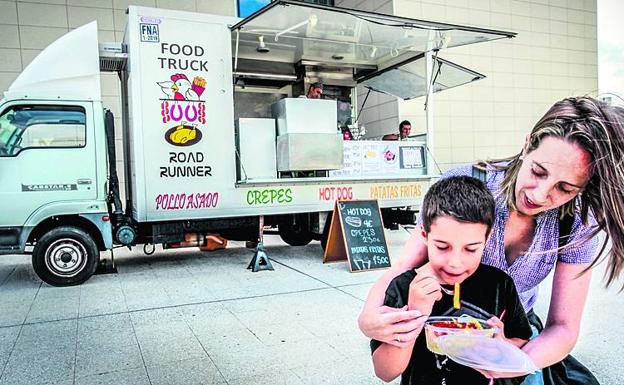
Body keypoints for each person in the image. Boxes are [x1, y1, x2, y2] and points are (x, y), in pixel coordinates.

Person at [360, 96, 624, 385]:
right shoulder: (465, 186)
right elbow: (402, 268)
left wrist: (515, 360)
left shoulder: (577, 221)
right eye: (538, 171)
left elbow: (563, 326)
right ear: (527, 145)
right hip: (439, 325)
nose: (538, 195)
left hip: (513, 331)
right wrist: (369, 317)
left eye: (565, 188)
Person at [371, 175, 533, 385]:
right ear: (424, 235)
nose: (455, 263)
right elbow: (385, 372)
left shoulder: (499, 284)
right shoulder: (404, 287)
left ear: (488, 238)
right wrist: (415, 313)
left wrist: (502, 346)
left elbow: (521, 340)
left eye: (471, 249)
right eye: (442, 247)